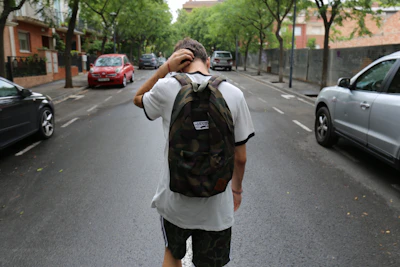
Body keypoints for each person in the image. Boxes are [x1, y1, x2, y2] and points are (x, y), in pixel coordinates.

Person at [133, 38, 254, 267]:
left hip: (175, 201)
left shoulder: (167, 88)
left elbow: (137, 98)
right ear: (208, 61)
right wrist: (236, 191)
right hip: (217, 207)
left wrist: (165, 69)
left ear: (178, 62)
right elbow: (241, 157)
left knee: (172, 254)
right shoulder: (235, 94)